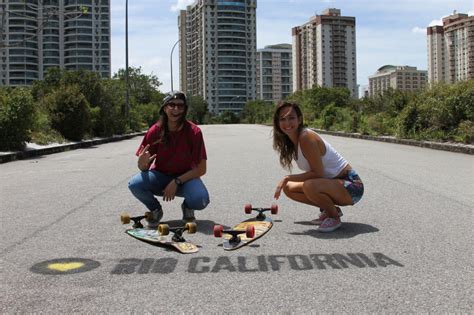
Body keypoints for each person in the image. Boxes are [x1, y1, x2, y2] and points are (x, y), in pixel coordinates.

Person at [272, 101, 364, 232]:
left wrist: (287, 177)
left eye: (291, 118)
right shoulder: (293, 141)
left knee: (309, 185)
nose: (287, 123)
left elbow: (318, 173)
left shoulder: (306, 137)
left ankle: (334, 217)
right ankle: (330, 209)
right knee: (289, 188)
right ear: (278, 123)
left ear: (299, 119)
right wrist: (288, 180)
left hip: (352, 186)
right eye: (282, 119)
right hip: (333, 184)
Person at [128, 91, 210, 228]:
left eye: (180, 106)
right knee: (135, 184)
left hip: (186, 179)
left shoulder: (194, 132)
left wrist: (176, 181)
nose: (176, 109)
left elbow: (201, 169)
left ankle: (188, 207)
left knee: (200, 199)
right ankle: (155, 209)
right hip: (160, 177)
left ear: (185, 109)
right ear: (165, 108)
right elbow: (144, 167)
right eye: (171, 105)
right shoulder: (155, 131)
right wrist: (142, 164)